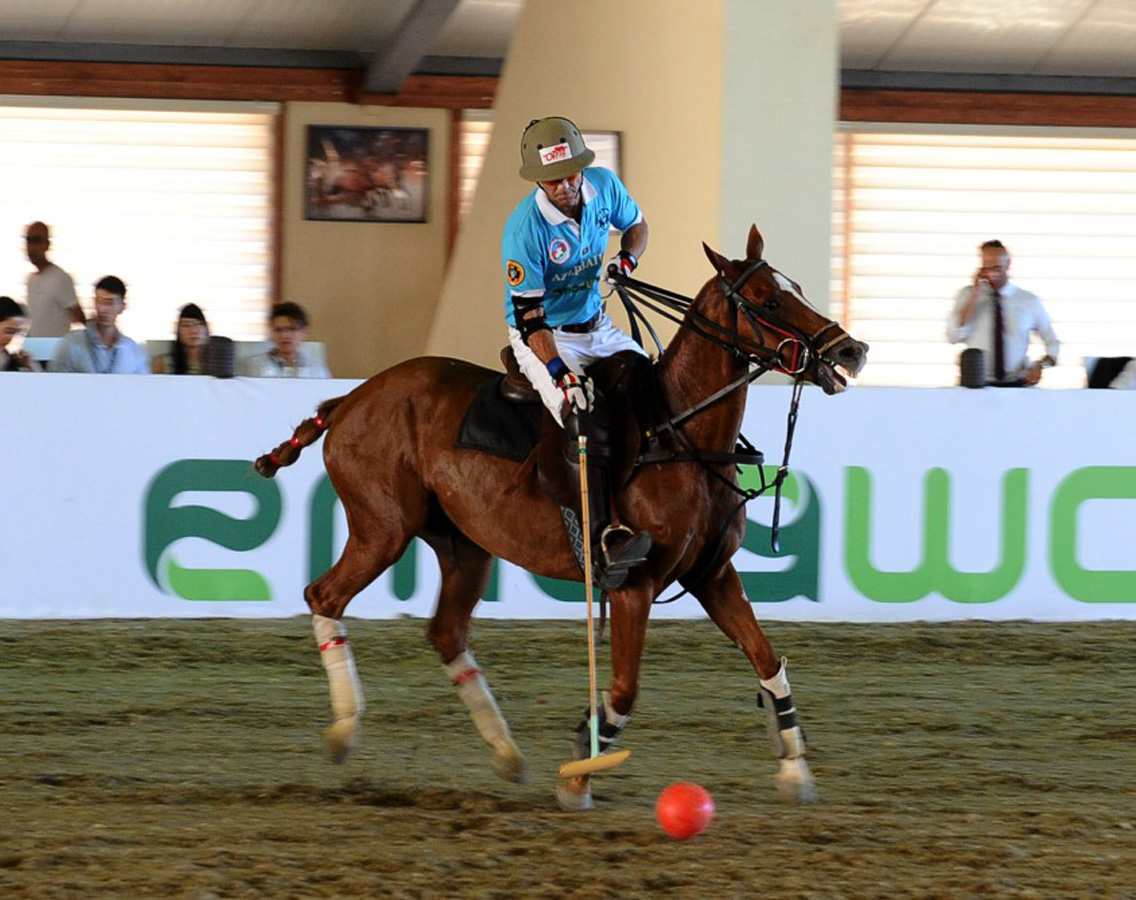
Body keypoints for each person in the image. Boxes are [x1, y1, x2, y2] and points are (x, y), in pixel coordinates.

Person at [501, 115, 651, 589]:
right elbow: (531, 321)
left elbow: (638, 225)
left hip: (597, 325)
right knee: (580, 413)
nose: (565, 186)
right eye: (553, 179)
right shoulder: (524, 230)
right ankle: (601, 535)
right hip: (546, 335)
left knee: (652, 382)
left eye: (571, 174)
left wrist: (626, 258)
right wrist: (557, 371)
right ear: (537, 180)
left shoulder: (604, 185)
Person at [947, 240, 1059, 386]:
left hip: (1018, 384)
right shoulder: (967, 296)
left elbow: (1052, 342)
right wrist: (974, 296)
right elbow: (953, 336)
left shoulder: (1028, 301)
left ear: (1008, 264)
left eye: (997, 268)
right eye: (987, 268)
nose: (992, 273)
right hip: (977, 386)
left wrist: (1041, 365)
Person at [49, 275, 149, 374]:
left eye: (110, 303)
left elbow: (142, 386)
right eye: (99, 302)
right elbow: (55, 382)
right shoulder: (72, 343)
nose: (103, 309)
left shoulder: (132, 350)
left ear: (122, 307)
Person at [24, 221, 84, 337]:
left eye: (36, 240)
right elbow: (36, 322)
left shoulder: (60, 278)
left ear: (47, 245)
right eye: (29, 240)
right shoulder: (31, 280)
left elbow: (79, 318)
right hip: (35, 351)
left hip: (56, 353)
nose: (31, 247)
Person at [240, 301, 330, 378]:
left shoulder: (316, 367)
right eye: (278, 330)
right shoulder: (254, 365)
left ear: (304, 332)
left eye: (291, 329)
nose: (284, 335)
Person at [152, 303, 210, 374]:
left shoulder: (218, 364)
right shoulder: (163, 363)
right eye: (186, 325)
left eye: (199, 324)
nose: (193, 330)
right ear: (178, 330)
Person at [0, 296, 40, 372]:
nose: (13, 338)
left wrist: (31, 366)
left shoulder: (12, 360)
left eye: (19, 333)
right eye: (8, 332)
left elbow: (42, 381)